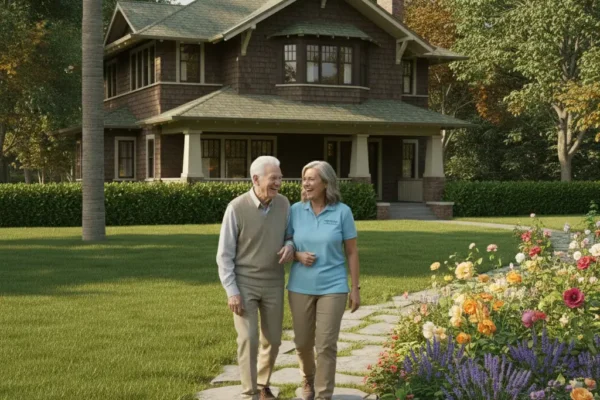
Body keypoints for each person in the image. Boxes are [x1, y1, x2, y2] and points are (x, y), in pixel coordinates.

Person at [216, 156, 295, 400]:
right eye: (274, 178)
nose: (279, 183)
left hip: (273, 282)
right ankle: (249, 393)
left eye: (280, 178)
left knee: (273, 340)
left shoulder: (284, 204)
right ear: (256, 179)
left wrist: (290, 245)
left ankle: (262, 384)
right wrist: (232, 291)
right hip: (244, 283)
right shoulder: (236, 208)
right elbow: (224, 255)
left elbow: (290, 235)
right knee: (248, 339)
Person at [286, 160, 361, 400]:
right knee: (302, 343)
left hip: (334, 286)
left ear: (326, 183)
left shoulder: (343, 212)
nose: (306, 183)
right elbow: (285, 243)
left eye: (311, 179)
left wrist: (355, 288)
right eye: (304, 179)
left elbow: (351, 251)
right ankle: (308, 379)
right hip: (299, 286)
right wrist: (297, 254)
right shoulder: (295, 210)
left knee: (326, 344)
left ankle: (323, 395)